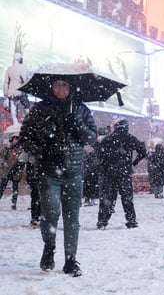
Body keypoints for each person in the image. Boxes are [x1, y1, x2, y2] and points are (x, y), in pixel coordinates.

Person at [19, 78, 98, 277]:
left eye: (64, 85)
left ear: (70, 88)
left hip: (74, 172)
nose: (60, 89)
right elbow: (25, 138)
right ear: (51, 87)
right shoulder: (40, 109)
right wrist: (43, 146)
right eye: (56, 85)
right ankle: (49, 247)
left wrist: (77, 123)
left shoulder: (80, 109)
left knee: (72, 218)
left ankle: (71, 260)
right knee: (50, 214)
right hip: (49, 172)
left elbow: (91, 137)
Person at [96, 119, 147, 229]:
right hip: (124, 172)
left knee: (107, 198)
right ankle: (131, 220)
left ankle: (102, 221)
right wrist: (134, 162)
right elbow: (143, 151)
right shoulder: (130, 138)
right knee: (127, 198)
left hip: (109, 172)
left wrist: (105, 165)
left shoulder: (108, 139)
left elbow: (99, 154)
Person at [0, 135, 22, 210]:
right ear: (12, 140)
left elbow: (22, 158)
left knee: (15, 188)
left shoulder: (20, 148)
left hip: (16, 170)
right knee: (2, 187)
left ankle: (14, 203)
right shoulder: (7, 148)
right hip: (6, 170)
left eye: (17, 140)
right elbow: (2, 155)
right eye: (15, 139)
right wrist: (6, 148)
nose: (16, 141)